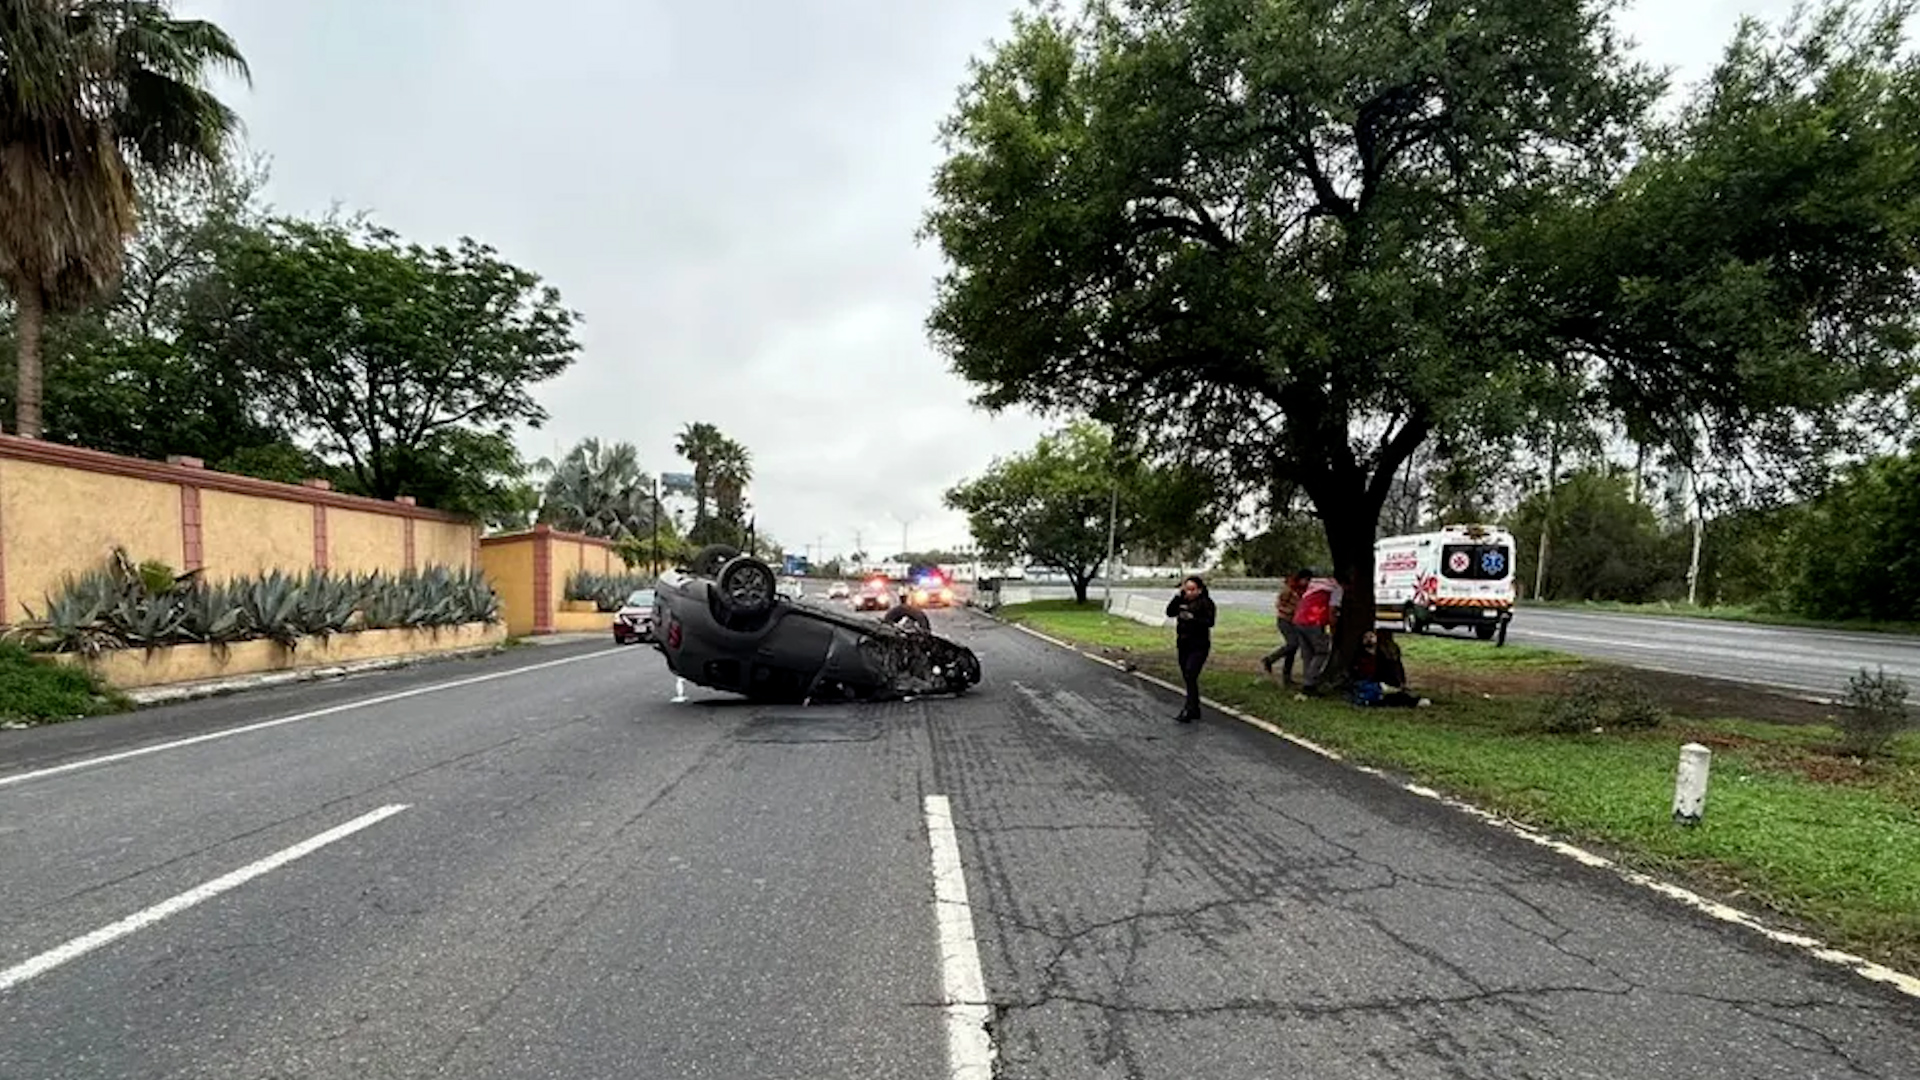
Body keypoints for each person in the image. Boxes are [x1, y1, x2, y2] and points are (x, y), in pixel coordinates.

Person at [1165, 575, 1216, 722]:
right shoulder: (1181, 600)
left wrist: (1193, 618)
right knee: (1188, 677)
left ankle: (1188, 708)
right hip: (1183, 643)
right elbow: (1169, 612)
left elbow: (1210, 621)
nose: (1189, 592)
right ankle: (1194, 708)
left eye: (1193, 589)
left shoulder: (1206, 603)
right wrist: (1177, 596)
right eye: (1187, 589)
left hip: (1199, 644)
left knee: (1190, 673)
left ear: (1199, 590)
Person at [1292, 568, 1348, 696]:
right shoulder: (1337, 588)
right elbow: (1332, 611)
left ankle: (1307, 683)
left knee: (1307, 654)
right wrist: (1334, 631)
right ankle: (1309, 684)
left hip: (1298, 619)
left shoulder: (1318, 583)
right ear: (1345, 583)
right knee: (1322, 652)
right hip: (1313, 621)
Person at [1347, 626, 1429, 708]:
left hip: (1384, 684)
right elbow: (1357, 674)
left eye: (1371, 636)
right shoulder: (1359, 656)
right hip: (1367, 684)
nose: (1369, 639)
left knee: (1394, 696)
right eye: (1366, 637)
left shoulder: (1383, 655)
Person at [1260, 569, 1314, 687]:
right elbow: (1279, 604)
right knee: (1293, 644)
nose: (1307, 582)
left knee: (1292, 650)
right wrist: (1290, 611)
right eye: (1305, 579)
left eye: (1309, 580)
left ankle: (1287, 678)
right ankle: (1269, 659)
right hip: (1285, 620)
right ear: (1300, 578)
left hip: (1296, 621)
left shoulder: (1304, 590)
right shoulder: (1289, 589)